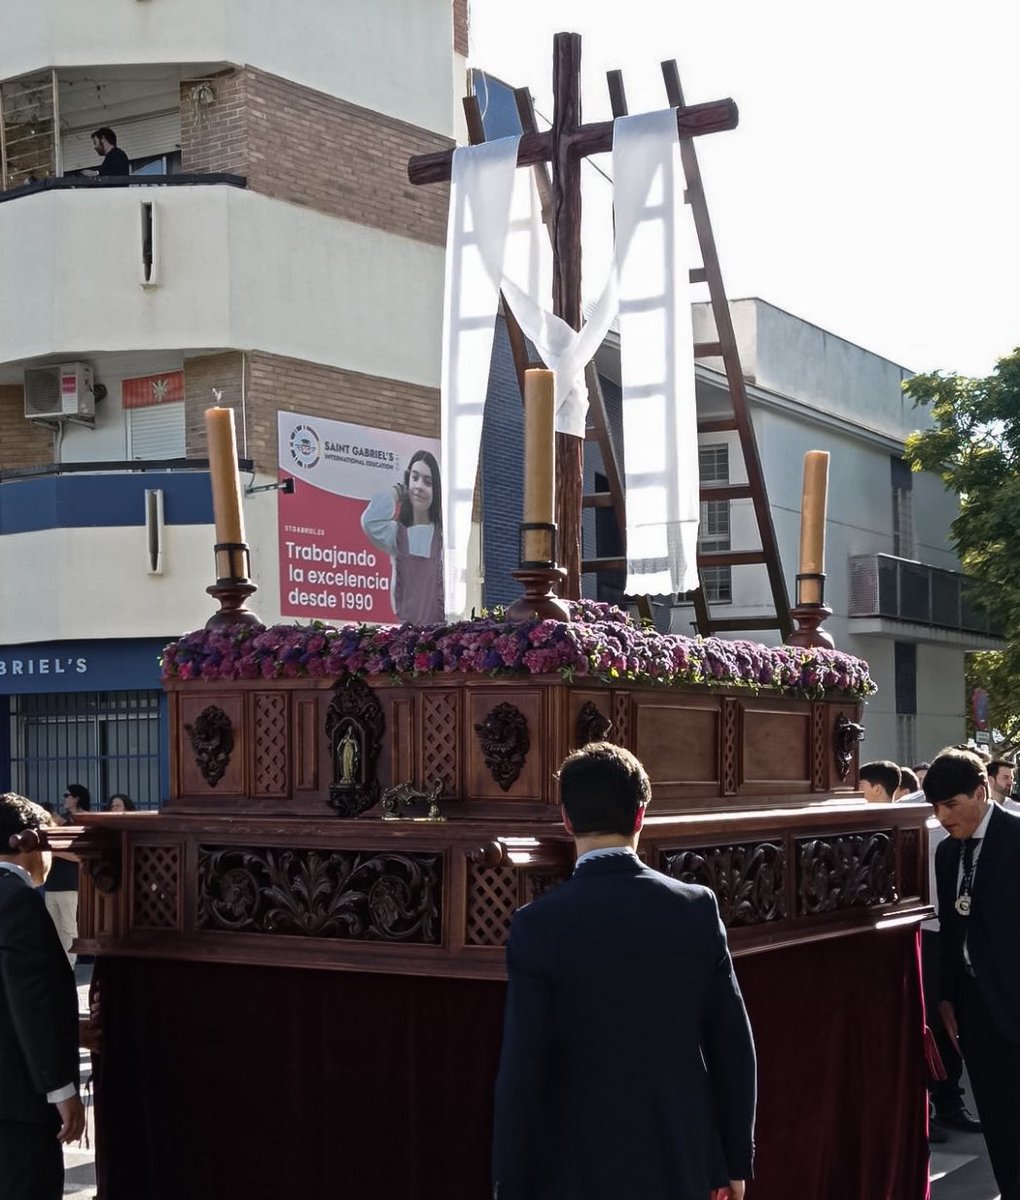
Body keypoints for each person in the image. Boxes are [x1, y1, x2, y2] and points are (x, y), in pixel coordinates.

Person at [492, 742, 756, 1200]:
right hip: (680, 1155)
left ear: (567, 820)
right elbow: (733, 1045)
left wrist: (509, 1180)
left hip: (574, 1164)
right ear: (640, 816)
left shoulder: (537, 924)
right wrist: (734, 1160)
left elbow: (522, 1065)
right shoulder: (694, 908)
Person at [924, 748, 1020, 1198]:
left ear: (981, 791)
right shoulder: (947, 854)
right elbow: (949, 928)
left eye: (951, 805)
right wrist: (946, 998)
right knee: (999, 1121)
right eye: (936, 808)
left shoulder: (1016, 838)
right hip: (974, 1008)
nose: (943, 817)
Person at [0, 792, 85, 1199]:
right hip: (16, 1101)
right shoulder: (16, 902)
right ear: (28, 842)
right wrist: (61, 1089)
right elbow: (30, 1002)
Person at [361, 449, 444, 624]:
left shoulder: (443, 538)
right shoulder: (397, 534)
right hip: (405, 634)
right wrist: (397, 492)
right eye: (414, 478)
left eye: (427, 482)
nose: (419, 486)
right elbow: (370, 521)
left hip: (439, 634)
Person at [44, 784, 89, 966]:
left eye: (67, 795)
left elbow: (80, 856)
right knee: (53, 928)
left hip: (69, 884)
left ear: (76, 798)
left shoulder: (80, 821)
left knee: (69, 927)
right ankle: (58, 966)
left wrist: (53, 851)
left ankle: (69, 965)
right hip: (52, 883)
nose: (64, 799)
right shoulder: (64, 823)